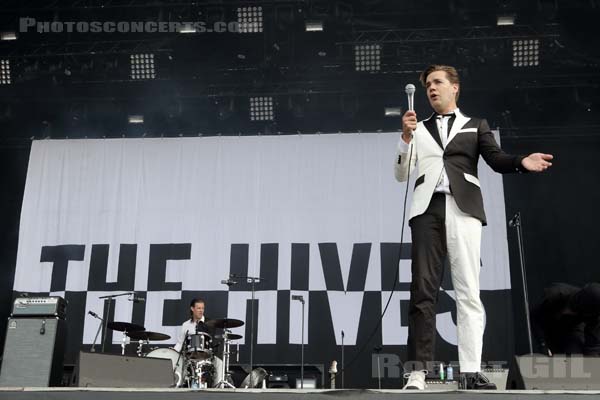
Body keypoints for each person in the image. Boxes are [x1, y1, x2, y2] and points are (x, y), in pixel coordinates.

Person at [394, 64, 553, 390]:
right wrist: (406, 138)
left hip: (464, 209)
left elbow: (496, 159)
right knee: (422, 292)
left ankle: (469, 371)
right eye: (428, 87)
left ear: (455, 87)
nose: (432, 89)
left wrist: (521, 162)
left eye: (438, 83)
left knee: (468, 291)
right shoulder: (418, 128)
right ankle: (418, 373)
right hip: (427, 211)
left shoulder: (475, 125)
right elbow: (401, 174)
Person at [531, 282, 600, 356]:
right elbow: (534, 317)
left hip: (571, 331)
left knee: (575, 357)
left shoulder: (594, 314)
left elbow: (593, 346)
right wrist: (543, 344)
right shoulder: (556, 294)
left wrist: (592, 363)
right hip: (543, 326)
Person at [174, 298, 223, 387]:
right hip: (190, 356)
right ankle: (180, 385)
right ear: (192, 309)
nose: (201, 311)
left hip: (206, 355)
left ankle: (218, 387)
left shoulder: (210, 323)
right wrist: (173, 354)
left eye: (202, 308)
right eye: (198, 308)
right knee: (179, 363)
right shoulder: (186, 325)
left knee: (220, 363)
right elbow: (180, 342)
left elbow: (211, 343)